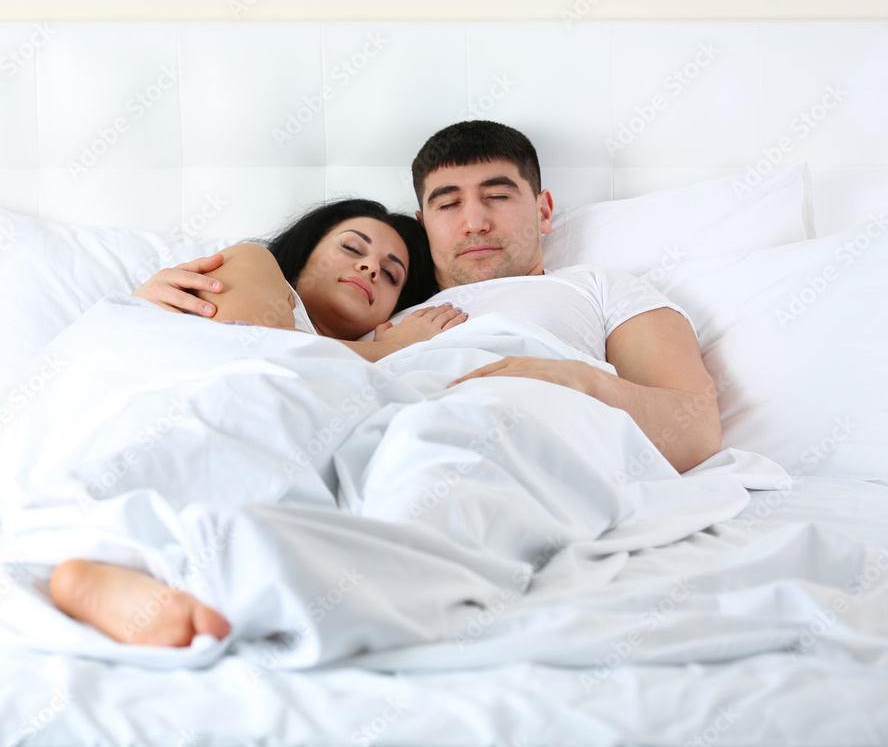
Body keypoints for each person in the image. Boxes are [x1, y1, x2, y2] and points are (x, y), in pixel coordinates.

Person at [50, 120, 723, 649]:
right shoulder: (379, 309)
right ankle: (116, 549)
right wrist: (159, 304)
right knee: (257, 408)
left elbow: (691, 427)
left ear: (543, 208)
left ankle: (228, 584)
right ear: (425, 221)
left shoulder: (601, 288)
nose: (475, 221)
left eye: (498, 195)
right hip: (366, 402)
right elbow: (258, 345)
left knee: (449, 469)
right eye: (447, 203)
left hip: (511, 400)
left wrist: (566, 379)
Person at [154, 197, 466, 359]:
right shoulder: (252, 258)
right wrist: (391, 348)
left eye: (390, 274)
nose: (371, 268)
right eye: (351, 248)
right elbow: (248, 350)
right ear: (304, 257)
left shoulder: (369, 368)